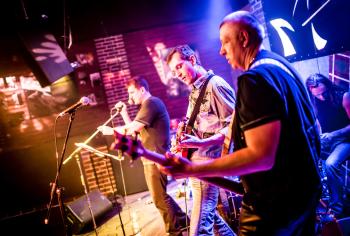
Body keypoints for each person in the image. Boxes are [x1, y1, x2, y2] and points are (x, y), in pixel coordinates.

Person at [162, 11, 322, 235]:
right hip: (301, 196)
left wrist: (193, 168)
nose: (221, 50)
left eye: (225, 42)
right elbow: (314, 127)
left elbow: (260, 157)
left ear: (244, 39)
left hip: (271, 207)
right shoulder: (281, 65)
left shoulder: (253, 79)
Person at [99, 76, 188, 236]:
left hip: (156, 158)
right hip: (152, 159)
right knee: (161, 197)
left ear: (142, 90)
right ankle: (183, 220)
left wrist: (110, 131)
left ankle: (175, 232)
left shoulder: (151, 103)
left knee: (159, 199)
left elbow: (132, 128)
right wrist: (125, 113)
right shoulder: (147, 106)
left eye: (132, 92)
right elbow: (136, 131)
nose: (129, 97)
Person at [166, 45, 236, 236]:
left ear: (193, 60)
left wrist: (202, 143)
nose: (177, 74)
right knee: (213, 220)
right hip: (196, 165)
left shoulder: (216, 85)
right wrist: (182, 140)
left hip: (209, 165)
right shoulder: (195, 90)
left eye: (179, 66)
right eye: (174, 71)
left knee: (199, 231)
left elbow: (234, 127)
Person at [305, 73, 350, 219]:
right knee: (304, 158)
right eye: (318, 95)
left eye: (324, 93)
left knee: (331, 164)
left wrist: (333, 135)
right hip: (330, 141)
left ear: (328, 86)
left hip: (345, 140)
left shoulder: (344, 97)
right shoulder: (315, 101)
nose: (322, 97)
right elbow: (318, 125)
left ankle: (337, 209)